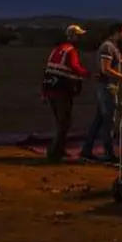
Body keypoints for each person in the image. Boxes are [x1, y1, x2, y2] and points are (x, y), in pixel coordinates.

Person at [79, 23, 122, 163]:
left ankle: (87, 150)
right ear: (116, 32)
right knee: (109, 121)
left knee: (99, 120)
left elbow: (112, 63)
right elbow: (105, 69)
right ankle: (108, 153)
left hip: (108, 87)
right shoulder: (107, 47)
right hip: (107, 87)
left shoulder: (112, 47)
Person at [40, 24, 90, 162]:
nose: (80, 39)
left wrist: (43, 92)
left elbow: (48, 70)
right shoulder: (71, 51)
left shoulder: (57, 49)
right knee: (64, 123)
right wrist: (86, 74)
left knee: (60, 121)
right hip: (62, 90)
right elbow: (74, 66)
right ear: (73, 36)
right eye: (79, 36)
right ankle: (54, 153)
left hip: (51, 89)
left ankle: (59, 149)